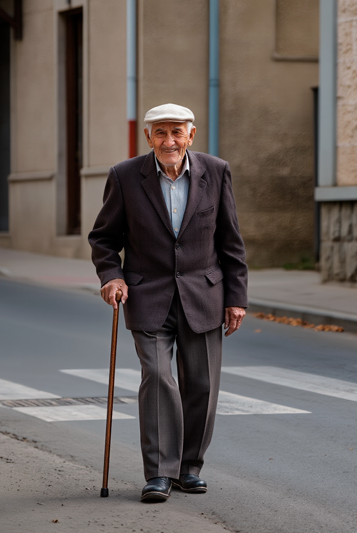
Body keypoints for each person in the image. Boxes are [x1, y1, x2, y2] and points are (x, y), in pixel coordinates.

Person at [89, 103, 248, 502]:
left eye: (177, 132)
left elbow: (230, 240)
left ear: (191, 135)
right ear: (149, 137)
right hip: (147, 294)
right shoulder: (125, 176)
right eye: (160, 132)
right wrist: (112, 276)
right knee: (158, 378)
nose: (169, 140)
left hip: (204, 294)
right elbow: (104, 239)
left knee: (202, 385)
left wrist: (236, 298)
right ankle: (160, 472)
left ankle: (189, 468)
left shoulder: (216, 171)